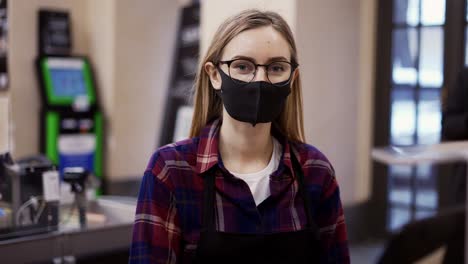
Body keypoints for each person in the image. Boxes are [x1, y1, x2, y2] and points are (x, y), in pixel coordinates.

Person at [129, 9, 349, 264]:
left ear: (292, 78)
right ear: (214, 75)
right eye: (243, 66)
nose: (260, 79)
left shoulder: (315, 171)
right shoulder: (170, 169)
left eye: (276, 68)